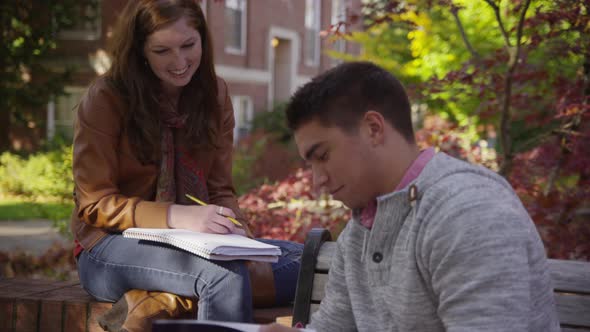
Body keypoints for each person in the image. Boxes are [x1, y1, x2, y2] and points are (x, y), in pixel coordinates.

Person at [261, 61, 560, 332]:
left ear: (373, 129)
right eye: (310, 164)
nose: (318, 180)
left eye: (323, 155)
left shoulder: (469, 213)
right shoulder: (359, 232)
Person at [70, 1, 302, 331]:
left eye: (188, 46)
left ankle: (162, 299)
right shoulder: (106, 98)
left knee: (308, 262)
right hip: (108, 245)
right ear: (141, 52)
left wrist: (236, 231)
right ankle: (194, 288)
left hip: (193, 242)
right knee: (224, 276)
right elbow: (94, 204)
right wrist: (178, 215)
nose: (179, 62)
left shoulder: (215, 95)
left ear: (203, 41)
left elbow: (220, 190)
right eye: (162, 50)